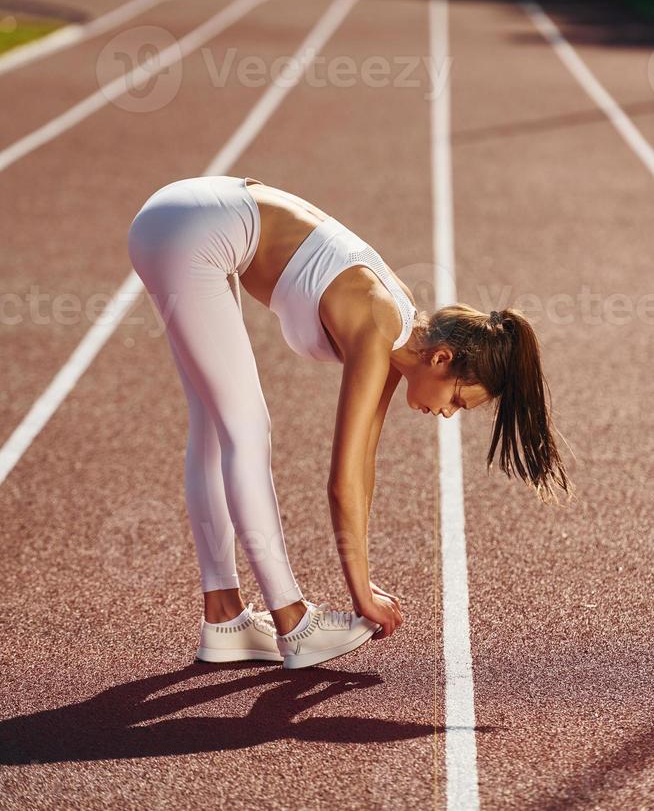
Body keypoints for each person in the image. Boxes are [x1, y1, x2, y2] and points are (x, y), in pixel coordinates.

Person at [127, 175, 572, 669]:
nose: (447, 415)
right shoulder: (379, 324)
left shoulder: (400, 339)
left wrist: (363, 579)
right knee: (247, 431)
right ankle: (294, 624)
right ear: (443, 359)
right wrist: (361, 595)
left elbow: (362, 468)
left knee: (216, 425)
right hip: (189, 228)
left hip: (186, 220)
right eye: (458, 402)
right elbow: (339, 481)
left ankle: (226, 619)